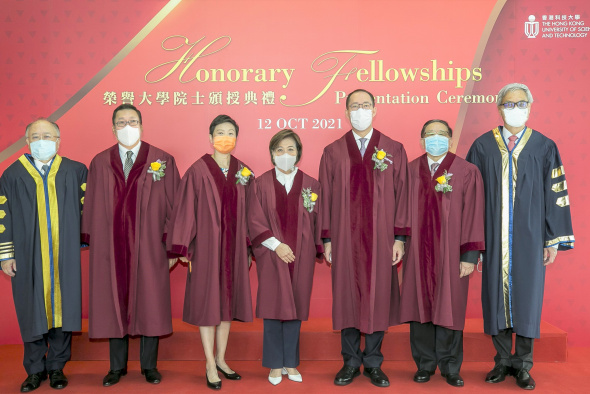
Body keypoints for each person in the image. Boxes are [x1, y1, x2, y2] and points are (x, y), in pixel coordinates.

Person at [466, 83, 575, 390]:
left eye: (521, 103)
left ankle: (523, 365)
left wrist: (552, 239)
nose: (516, 108)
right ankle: (501, 362)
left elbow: (556, 193)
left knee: (527, 299)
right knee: (496, 299)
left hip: (530, 237)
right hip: (493, 235)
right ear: (499, 108)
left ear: (530, 105)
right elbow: (470, 198)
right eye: (509, 104)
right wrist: (475, 243)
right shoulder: (482, 146)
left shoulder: (544, 146)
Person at [82, 104, 180, 386]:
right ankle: (117, 367)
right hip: (111, 246)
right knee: (113, 299)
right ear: (112, 127)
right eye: (121, 122)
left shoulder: (162, 160)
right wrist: (93, 240)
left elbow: (176, 205)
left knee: (150, 300)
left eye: (133, 121)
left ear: (142, 125)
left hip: (149, 245)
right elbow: (91, 207)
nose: (128, 126)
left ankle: (149, 366)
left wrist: (172, 246)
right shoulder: (100, 162)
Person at [319, 89, 411, 388]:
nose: (360, 110)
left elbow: (403, 196)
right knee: (347, 297)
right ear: (346, 112)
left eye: (365, 105)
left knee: (377, 297)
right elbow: (326, 198)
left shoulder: (393, 149)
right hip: (345, 239)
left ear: (375, 109)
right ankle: (349, 362)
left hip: (381, 238)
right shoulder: (333, 151)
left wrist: (399, 238)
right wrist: (328, 240)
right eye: (354, 106)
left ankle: (373, 362)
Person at [167, 114, 253, 390]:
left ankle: (221, 359)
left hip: (234, 249)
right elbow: (185, 210)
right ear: (210, 137)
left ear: (236, 138)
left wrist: (250, 246)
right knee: (208, 305)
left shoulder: (244, 172)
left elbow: (253, 214)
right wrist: (182, 247)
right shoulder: (198, 170)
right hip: (204, 249)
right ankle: (208, 363)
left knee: (227, 306)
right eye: (220, 132)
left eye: (230, 132)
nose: (225, 137)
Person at [0, 119, 87, 392]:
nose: (41, 140)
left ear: (58, 140)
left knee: (63, 309)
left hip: (65, 255)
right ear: (27, 141)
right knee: (31, 309)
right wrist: (6, 255)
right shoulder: (11, 175)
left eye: (47, 135)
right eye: (35, 136)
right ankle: (35, 370)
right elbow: (3, 217)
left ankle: (57, 367)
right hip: (27, 256)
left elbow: (89, 214)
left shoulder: (76, 171)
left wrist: (86, 243)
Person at [399, 119, 485, 387]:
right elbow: (400, 210)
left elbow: (473, 214)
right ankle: (424, 364)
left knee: (451, 306)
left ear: (450, 138)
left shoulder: (467, 171)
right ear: (422, 139)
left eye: (441, 134)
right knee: (418, 305)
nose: (435, 138)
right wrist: (399, 240)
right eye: (429, 134)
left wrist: (469, 256)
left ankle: (450, 366)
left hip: (452, 254)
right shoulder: (409, 170)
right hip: (417, 253)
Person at [247, 129, 322, 385]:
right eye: (279, 150)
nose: (285, 154)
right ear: (271, 154)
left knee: (296, 308)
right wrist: (277, 245)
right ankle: (274, 365)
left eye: (290, 150)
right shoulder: (259, 184)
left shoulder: (312, 185)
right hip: (271, 254)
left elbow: (319, 221)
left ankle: (290, 362)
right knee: (273, 307)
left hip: (301, 257)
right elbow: (254, 220)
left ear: (298, 154)